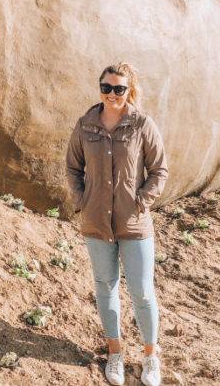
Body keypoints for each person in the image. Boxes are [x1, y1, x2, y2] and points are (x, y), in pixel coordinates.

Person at [65, 62, 169, 386]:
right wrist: (83, 200)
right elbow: (72, 167)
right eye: (106, 87)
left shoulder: (141, 125)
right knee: (105, 288)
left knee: (142, 292)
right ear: (100, 88)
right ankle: (116, 353)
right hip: (96, 222)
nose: (112, 94)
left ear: (129, 90)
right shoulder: (85, 125)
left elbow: (159, 170)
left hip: (134, 223)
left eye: (119, 88)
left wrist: (141, 201)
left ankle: (150, 357)